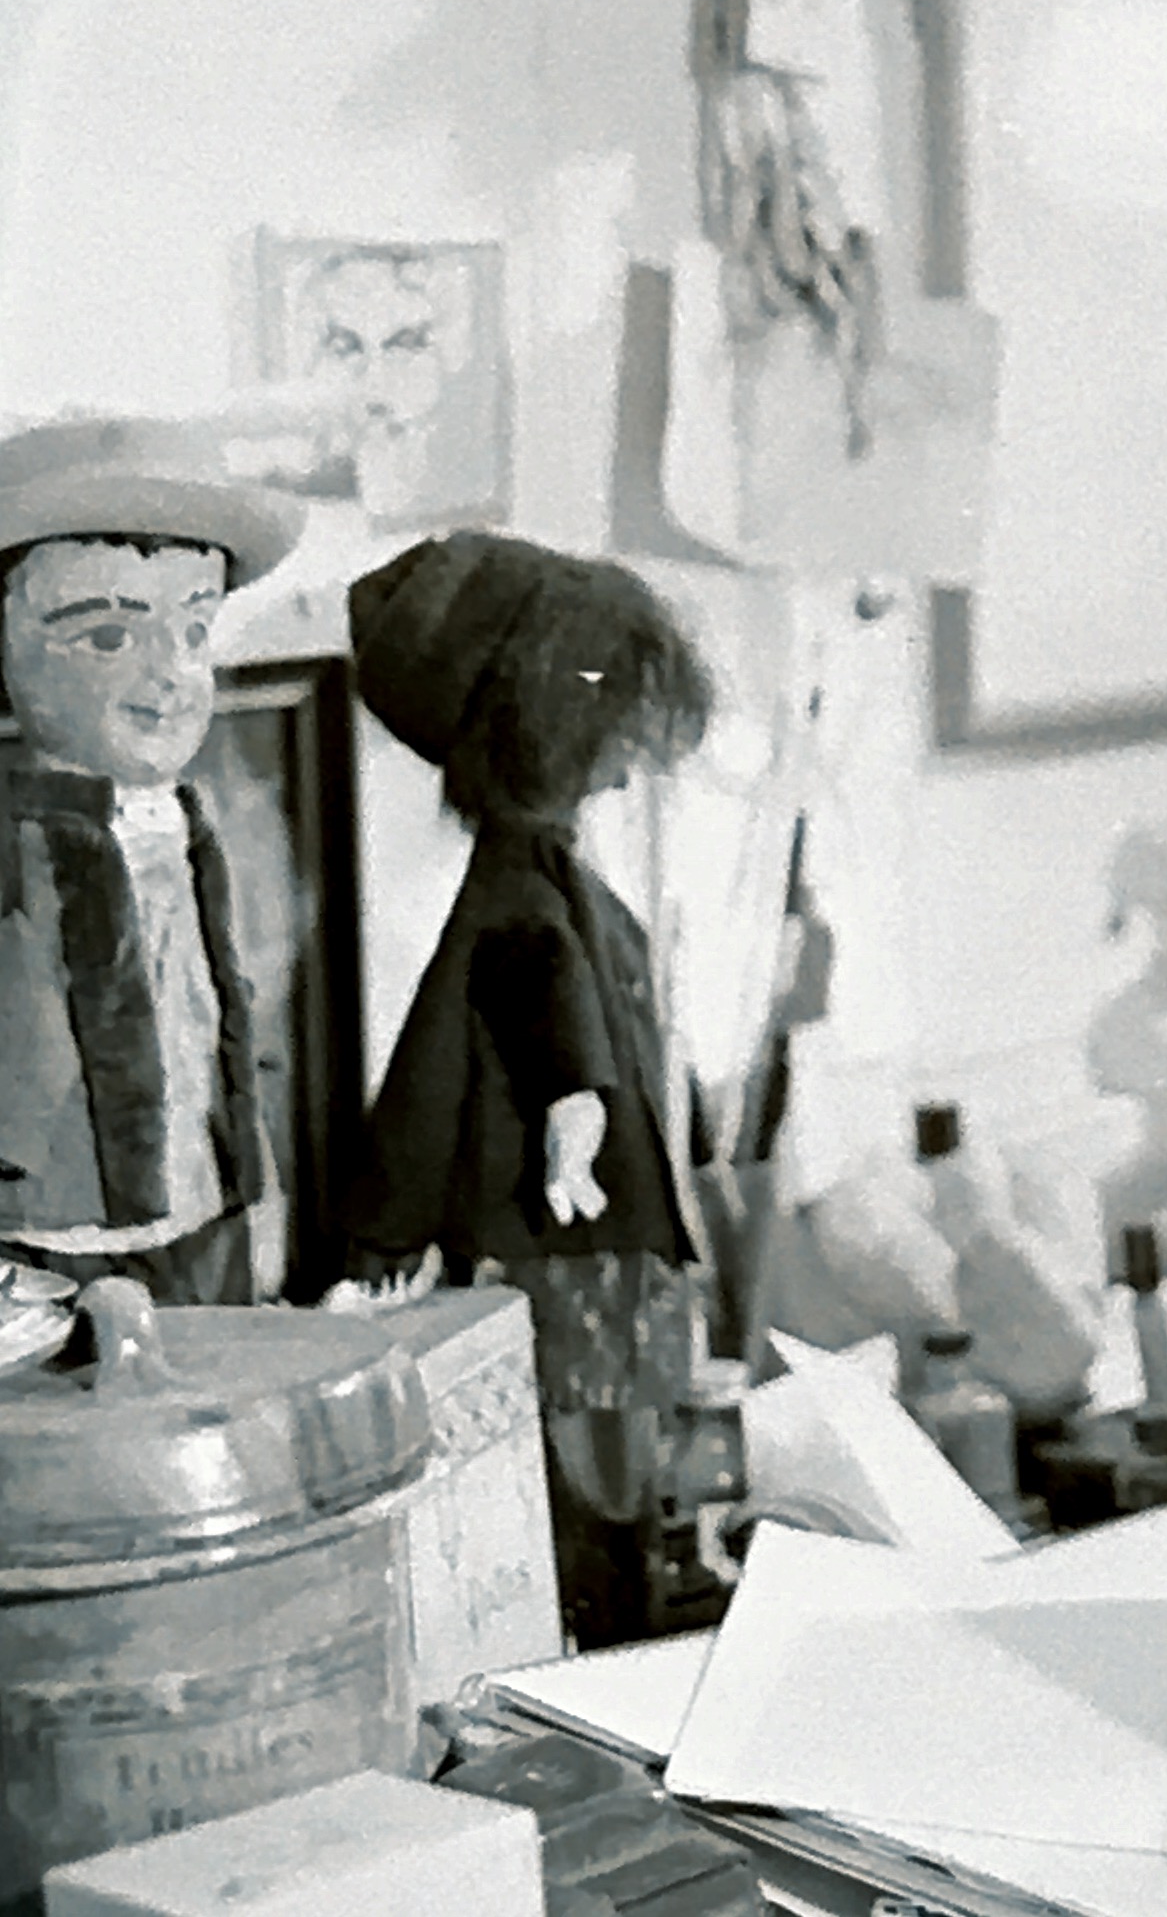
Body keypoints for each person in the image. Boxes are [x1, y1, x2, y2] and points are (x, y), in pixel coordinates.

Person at [343, 529, 712, 1648]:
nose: (629, 759)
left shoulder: (543, 871)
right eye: (610, 723)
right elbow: (538, 988)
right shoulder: (521, 884)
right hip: (566, 1251)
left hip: (584, 1252)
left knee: (602, 1475)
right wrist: (575, 1105)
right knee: (583, 1485)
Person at [0, 415, 303, 1306]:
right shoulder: (14, 841)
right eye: (108, 638)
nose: (172, 673)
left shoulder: (190, 823)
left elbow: (221, 1013)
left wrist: (256, 1181)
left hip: (201, 1210)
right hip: (49, 1236)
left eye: (195, 632)